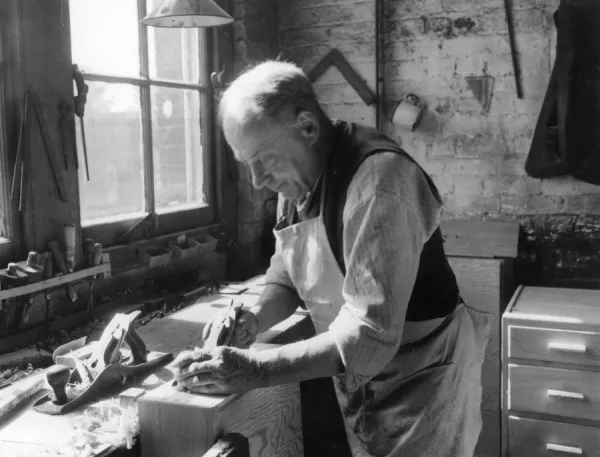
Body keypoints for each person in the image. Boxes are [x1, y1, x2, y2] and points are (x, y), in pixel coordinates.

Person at [169, 60, 493, 457]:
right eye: (246, 165)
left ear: (307, 127)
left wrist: (255, 370)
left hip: (422, 377)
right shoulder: (297, 181)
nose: (257, 181)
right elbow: (286, 274)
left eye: (265, 159)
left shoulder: (379, 185)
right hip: (362, 375)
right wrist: (254, 319)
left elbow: (369, 335)